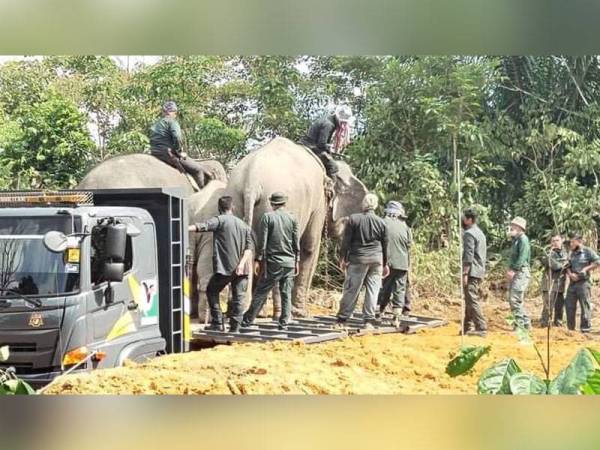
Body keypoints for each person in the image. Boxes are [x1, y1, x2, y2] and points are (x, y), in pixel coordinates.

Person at [188, 196, 253, 332]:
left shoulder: (220, 220)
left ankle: (217, 323)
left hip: (226, 267)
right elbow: (249, 249)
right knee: (238, 298)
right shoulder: (243, 225)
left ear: (219, 208)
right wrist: (241, 264)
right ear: (232, 207)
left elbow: (203, 226)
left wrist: (185, 227)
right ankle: (235, 328)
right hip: (242, 268)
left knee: (211, 290)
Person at [242, 192, 300, 330]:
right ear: (284, 203)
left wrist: (258, 259)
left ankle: (248, 320)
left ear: (272, 203)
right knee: (286, 293)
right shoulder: (293, 218)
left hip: (273, 262)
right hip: (289, 262)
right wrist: (297, 260)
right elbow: (296, 242)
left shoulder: (268, 217)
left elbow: (263, 241)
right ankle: (284, 323)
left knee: (261, 291)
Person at [336, 193, 389, 329]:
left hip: (358, 259)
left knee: (352, 288)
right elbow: (385, 245)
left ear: (363, 204)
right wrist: (385, 263)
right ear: (375, 206)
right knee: (373, 289)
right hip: (377, 260)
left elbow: (346, 242)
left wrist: (342, 258)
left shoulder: (353, 219)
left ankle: (343, 318)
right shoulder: (382, 222)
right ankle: (368, 321)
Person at [149, 101, 206, 189]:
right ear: (174, 112)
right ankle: (202, 195)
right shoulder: (172, 122)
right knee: (198, 170)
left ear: (163, 112)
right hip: (168, 154)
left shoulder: (156, 124)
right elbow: (177, 137)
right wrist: (179, 151)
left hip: (155, 153)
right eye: (175, 112)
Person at [377, 201, 412, 326]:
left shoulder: (382, 223)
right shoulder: (405, 227)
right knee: (399, 289)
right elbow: (409, 245)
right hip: (402, 263)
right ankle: (396, 317)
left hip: (387, 262)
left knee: (385, 287)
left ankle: (380, 311)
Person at [299, 105, 353, 181]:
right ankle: (330, 186)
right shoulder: (329, 125)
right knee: (333, 167)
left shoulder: (327, 118)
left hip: (307, 143)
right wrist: (329, 148)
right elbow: (321, 144)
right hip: (312, 146)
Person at [564, 234, 600, 333]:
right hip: (572, 283)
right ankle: (570, 329)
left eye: (573, 242)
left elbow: (597, 262)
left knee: (585, 306)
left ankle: (585, 329)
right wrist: (570, 274)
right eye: (570, 242)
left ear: (579, 241)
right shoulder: (571, 253)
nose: (571, 244)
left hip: (583, 283)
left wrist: (585, 269)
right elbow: (566, 266)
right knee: (569, 305)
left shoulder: (588, 251)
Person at [461, 209, 488, 337]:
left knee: (472, 299)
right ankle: (467, 326)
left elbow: (468, 255)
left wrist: (465, 273)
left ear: (469, 219)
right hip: (479, 270)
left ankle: (481, 327)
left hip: (472, 271)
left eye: (464, 218)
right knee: (469, 298)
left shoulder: (469, 234)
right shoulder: (480, 233)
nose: (463, 220)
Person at [506, 216, 531, 330]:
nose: (511, 228)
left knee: (515, 298)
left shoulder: (523, 239)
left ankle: (520, 324)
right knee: (514, 298)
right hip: (517, 271)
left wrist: (514, 270)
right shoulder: (516, 240)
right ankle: (525, 323)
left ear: (519, 228)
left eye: (513, 226)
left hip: (521, 272)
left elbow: (522, 257)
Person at [539, 234, 567, 328]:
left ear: (562, 241)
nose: (555, 242)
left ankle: (558, 323)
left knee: (559, 306)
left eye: (557, 240)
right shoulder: (547, 252)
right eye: (553, 241)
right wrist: (564, 264)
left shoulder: (565, 252)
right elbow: (554, 266)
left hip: (560, 284)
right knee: (548, 305)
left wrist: (564, 263)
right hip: (549, 283)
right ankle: (545, 323)